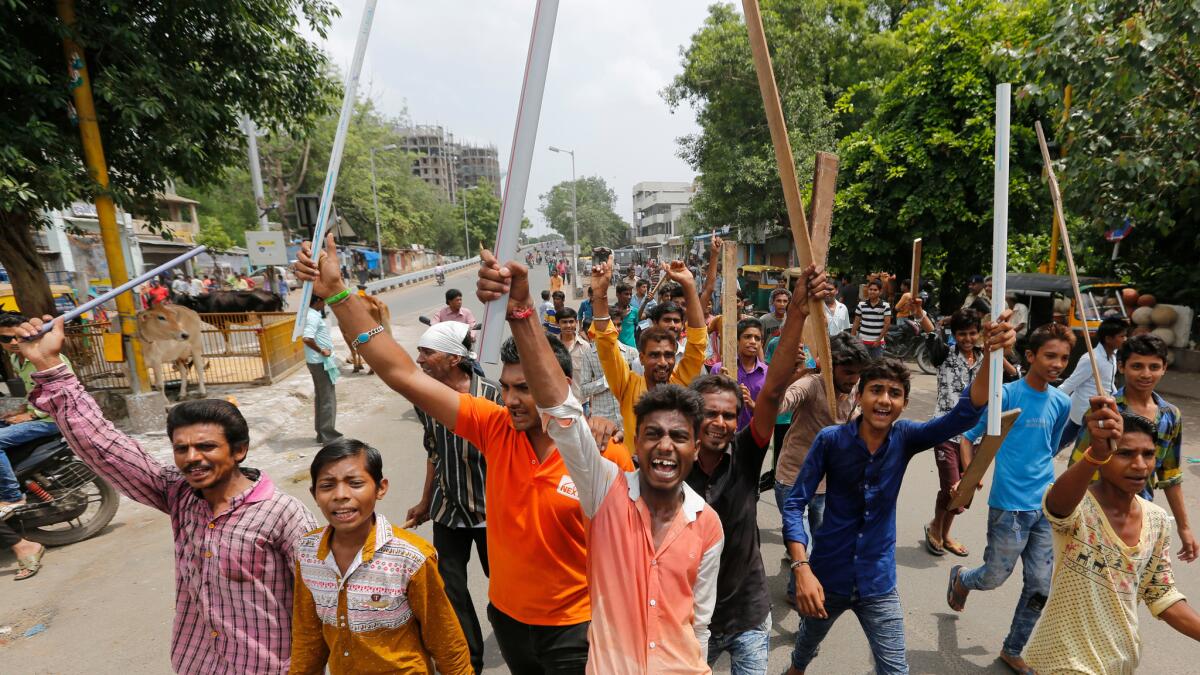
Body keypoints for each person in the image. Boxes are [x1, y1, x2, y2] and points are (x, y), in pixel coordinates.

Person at [294, 235, 634, 675]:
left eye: (525, 389)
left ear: (560, 388)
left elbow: (633, 551)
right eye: (506, 387)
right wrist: (339, 293)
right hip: (510, 623)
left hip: (578, 631)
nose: (510, 400)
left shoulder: (603, 456)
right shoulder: (495, 428)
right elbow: (399, 372)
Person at [11, 315, 315, 673]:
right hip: (198, 663)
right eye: (181, 448)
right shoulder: (179, 494)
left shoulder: (284, 515)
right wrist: (48, 365)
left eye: (206, 447)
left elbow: (321, 604)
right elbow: (105, 446)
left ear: (239, 450)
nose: (192, 459)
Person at [476, 251, 723, 674]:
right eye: (652, 434)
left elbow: (697, 622)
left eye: (679, 436)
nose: (665, 445)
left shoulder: (708, 524)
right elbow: (564, 409)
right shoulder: (607, 497)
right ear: (635, 443)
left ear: (697, 446)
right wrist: (522, 311)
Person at [783, 313, 1015, 675]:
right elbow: (795, 502)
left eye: (894, 393)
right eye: (876, 390)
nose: (884, 400)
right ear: (860, 395)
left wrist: (990, 354)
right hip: (827, 575)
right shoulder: (831, 441)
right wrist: (801, 567)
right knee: (804, 650)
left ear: (904, 403)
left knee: (895, 669)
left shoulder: (906, 437)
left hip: (878, 582)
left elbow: (964, 416)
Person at [687, 266, 830, 674]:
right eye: (709, 413)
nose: (719, 422)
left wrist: (797, 315)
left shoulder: (746, 454)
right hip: (693, 622)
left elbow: (772, 391)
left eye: (729, 415)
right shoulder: (671, 468)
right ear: (692, 418)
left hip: (750, 615)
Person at [1024, 406, 1200, 672]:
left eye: (1148, 454)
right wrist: (1095, 454)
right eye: (1125, 454)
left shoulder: (1157, 519)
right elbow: (1057, 505)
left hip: (1119, 661)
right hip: (1065, 661)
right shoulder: (1078, 506)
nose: (1140, 465)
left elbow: (1161, 593)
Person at [947, 322, 1076, 674]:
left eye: (1063, 358)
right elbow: (967, 437)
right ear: (1031, 356)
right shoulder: (1006, 395)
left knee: (1039, 586)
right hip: (1009, 508)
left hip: (1046, 508)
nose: (1057, 363)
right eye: (1050, 355)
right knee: (993, 578)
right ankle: (962, 578)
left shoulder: (1062, 402)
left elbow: (1050, 447)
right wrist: (970, 477)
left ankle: (1013, 648)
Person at [291, 439, 472, 674]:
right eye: (327, 486)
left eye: (355, 483)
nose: (341, 495)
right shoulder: (308, 552)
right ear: (314, 494)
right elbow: (308, 638)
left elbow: (445, 640)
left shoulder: (411, 558)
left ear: (381, 488)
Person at [403, 321, 500, 673]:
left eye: (428, 352)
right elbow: (434, 452)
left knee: (503, 591)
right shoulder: (425, 399)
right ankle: (469, 662)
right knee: (451, 590)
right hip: (448, 510)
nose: (421, 359)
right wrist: (426, 501)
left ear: (454, 358)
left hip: (494, 513)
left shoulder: (493, 396)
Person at [1068, 333, 1197, 562]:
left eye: (1154, 367)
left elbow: (1170, 475)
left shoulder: (1170, 416)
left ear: (1164, 368)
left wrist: (1184, 528)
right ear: (1121, 367)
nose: (1146, 374)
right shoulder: (1104, 412)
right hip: (1097, 514)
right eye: (1137, 366)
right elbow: (1078, 467)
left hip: (1142, 514)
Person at [773, 332, 869, 597]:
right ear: (830, 366)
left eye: (857, 373)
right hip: (793, 479)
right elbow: (779, 405)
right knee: (808, 547)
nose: (852, 379)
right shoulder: (810, 384)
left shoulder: (857, 392)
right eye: (847, 372)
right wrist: (789, 376)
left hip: (828, 485)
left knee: (821, 540)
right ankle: (799, 593)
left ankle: (797, 559)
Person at [593, 258, 709, 445]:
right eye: (655, 355)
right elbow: (606, 345)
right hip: (635, 472)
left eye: (669, 355)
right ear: (642, 358)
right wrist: (600, 295)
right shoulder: (628, 385)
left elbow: (697, 344)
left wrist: (689, 284)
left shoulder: (680, 383)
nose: (663, 362)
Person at [923, 308, 983, 558]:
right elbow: (930, 334)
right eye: (962, 334)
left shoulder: (987, 358)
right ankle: (936, 529)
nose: (967, 339)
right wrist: (921, 313)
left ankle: (943, 531)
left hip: (976, 435)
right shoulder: (944, 355)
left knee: (965, 489)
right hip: (945, 432)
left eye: (972, 333)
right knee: (952, 487)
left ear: (978, 333)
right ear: (954, 334)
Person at [0, 312, 73, 515]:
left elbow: (65, 390)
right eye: (6, 338)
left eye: (18, 336)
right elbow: (33, 390)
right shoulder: (17, 359)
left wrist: (32, 415)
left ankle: (12, 496)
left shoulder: (47, 355)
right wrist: (20, 410)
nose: (13, 342)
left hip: (51, 419)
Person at [1058, 315, 1127, 450]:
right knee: (1064, 444)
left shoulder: (1113, 356)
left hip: (1102, 410)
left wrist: (1118, 397)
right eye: (1121, 336)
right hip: (1084, 411)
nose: (1125, 340)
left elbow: (1108, 382)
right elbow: (1070, 384)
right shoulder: (1091, 359)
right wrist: (1048, 400)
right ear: (1108, 339)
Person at [557, 308, 622, 428]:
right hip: (558, 403)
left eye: (571, 322)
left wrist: (592, 406)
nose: (568, 325)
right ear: (558, 324)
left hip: (581, 403)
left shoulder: (585, 347)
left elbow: (591, 378)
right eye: (564, 322)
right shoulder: (552, 347)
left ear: (576, 323)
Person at [708, 318, 767, 432]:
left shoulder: (767, 374)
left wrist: (752, 405)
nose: (753, 341)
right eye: (747, 336)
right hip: (721, 432)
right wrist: (720, 386)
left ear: (762, 343)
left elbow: (770, 413)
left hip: (753, 437)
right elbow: (707, 404)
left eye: (757, 338)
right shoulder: (720, 369)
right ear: (737, 340)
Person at [302, 294, 342, 445]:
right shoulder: (312, 316)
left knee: (321, 398)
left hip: (316, 362)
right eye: (323, 300)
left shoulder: (312, 314)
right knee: (327, 399)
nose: (325, 303)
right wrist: (321, 350)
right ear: (318, 301)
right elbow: (307, 338)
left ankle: (321, 433)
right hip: (320, 362)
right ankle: (329, 436)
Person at [852, 279, 891, 360]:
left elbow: (887, 325)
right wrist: (852, 338)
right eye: (870, 289)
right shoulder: (861, 305)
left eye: (875, 290)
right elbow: (856, 322)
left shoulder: (885, 306)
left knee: (877, 367)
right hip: (862, 342)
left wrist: (878, 341)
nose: (872, 291)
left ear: (880, 291)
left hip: (877, 343)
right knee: (863, 366)